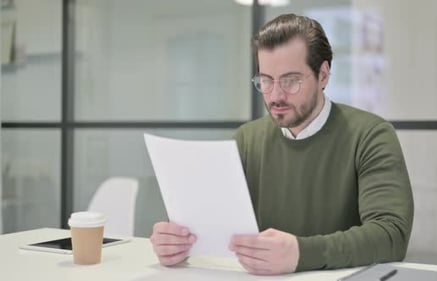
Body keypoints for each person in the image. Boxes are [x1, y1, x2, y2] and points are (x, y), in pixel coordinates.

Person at [150, 13, 414, 275]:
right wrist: (175, 241)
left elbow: (391, 234)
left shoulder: (370, 135)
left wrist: (302, 253)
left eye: (290, 81)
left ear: (323, 75)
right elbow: (205, 221)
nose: (275, 95)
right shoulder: (245, 140)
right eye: (265, 80)